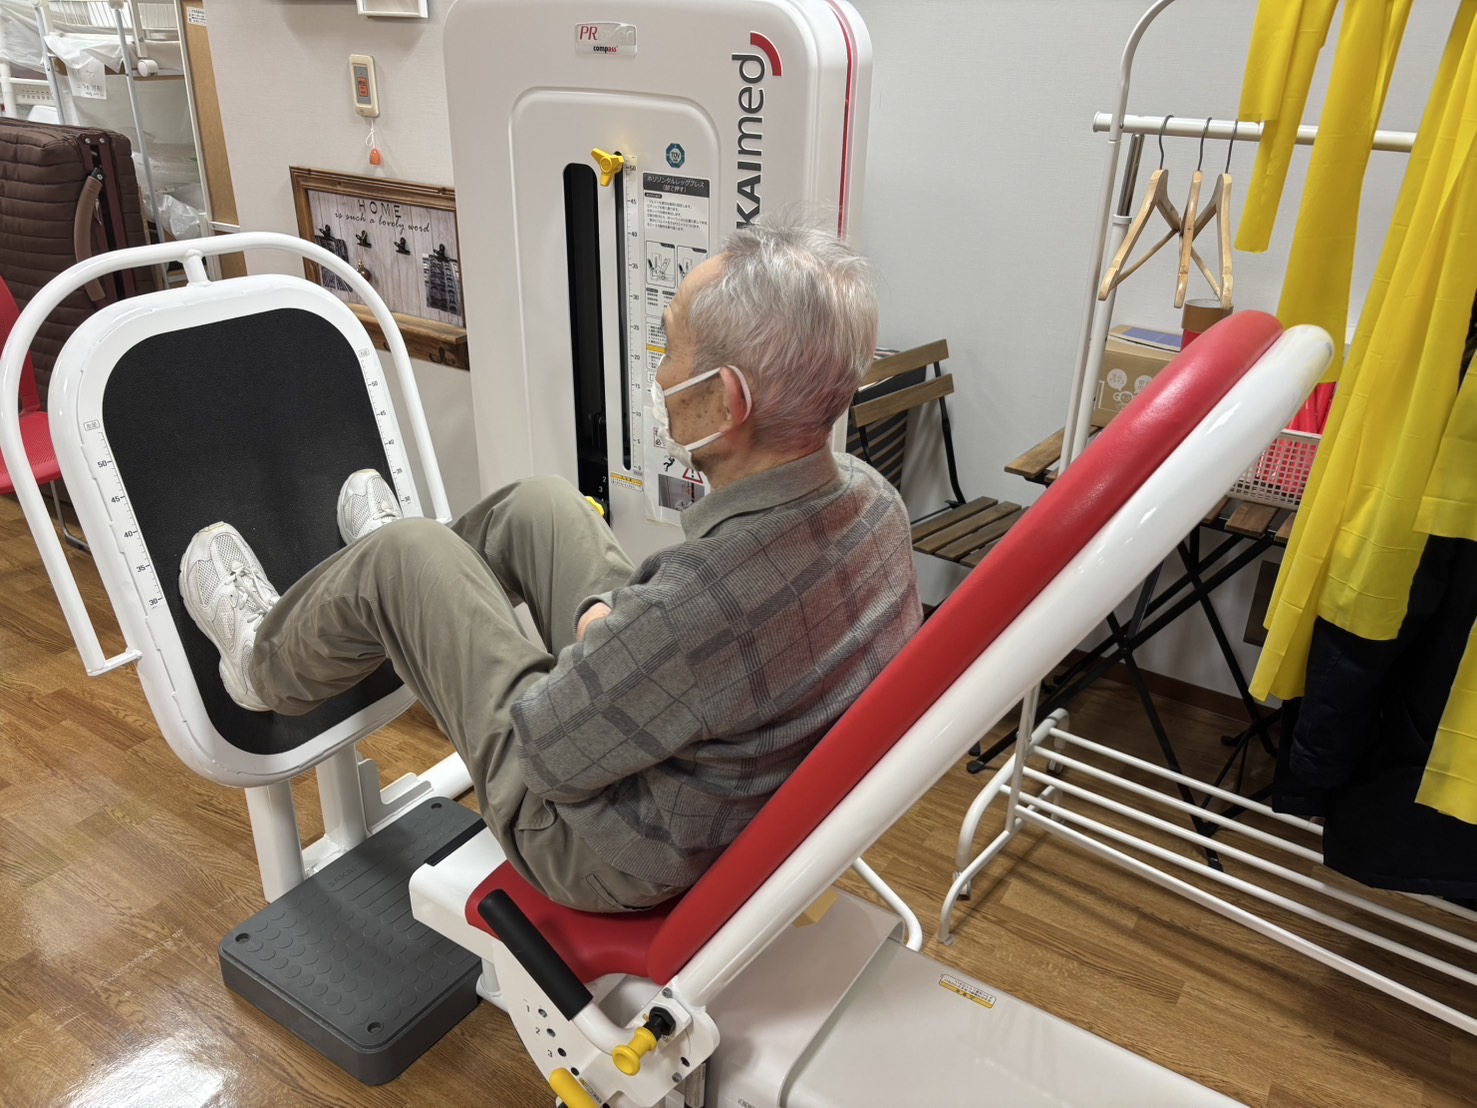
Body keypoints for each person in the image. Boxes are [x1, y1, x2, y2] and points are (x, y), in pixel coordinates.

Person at [179, 222, 921, 912]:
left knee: (406, 554)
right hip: (709, 753)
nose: (660, 371)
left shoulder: (704, 606)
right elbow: (700, 637)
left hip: (606, 849)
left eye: (669, 347)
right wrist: (619, 634)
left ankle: (263, 665)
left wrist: (616, 637)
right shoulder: (871, 500)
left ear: (726, 401)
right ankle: (388, 606)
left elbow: (547, 754)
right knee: (543, 505)